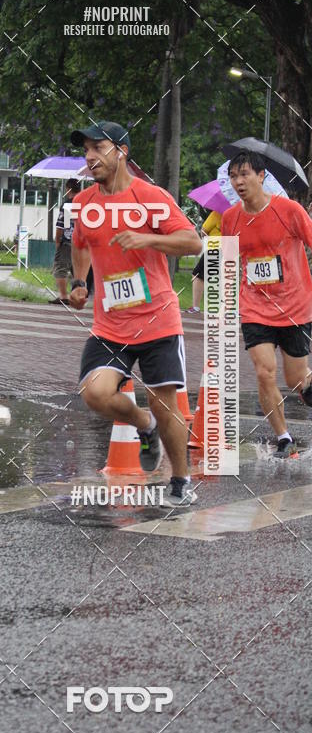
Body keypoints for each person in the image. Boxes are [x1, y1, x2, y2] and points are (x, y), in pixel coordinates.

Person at [68, 120, 202, 506]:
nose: (90, 157)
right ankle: (144, 425)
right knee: (96, 393)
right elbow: (80, 243)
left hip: (158, 318)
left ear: (122, 151)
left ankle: (180, 480)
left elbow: (192, 242)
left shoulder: (151, 197)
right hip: (110, 323)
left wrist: (147, 238)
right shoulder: (84, 203)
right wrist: (80, 282)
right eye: (87, 150)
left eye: (99, 148)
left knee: (166, 401)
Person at [221, 149, 312, 456]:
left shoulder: (289, 211)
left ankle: (307, 386)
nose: (238, 182)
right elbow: (229, 264)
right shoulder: (230, 219)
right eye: (233, 176)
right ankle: (283, 436)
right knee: (264, 371)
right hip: (255, 308)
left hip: (295, 306)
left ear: (261, 177)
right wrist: (227, 304)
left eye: (245, 174)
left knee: (296, 380)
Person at [50, 179, 81, 305]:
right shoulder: (85, 203)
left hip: (68, 242)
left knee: (61, 268)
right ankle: (78, 296)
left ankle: (63, 296)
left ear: (68, 188)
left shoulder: (68, 205)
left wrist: (58, 240)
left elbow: (62, 225)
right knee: (77, 270)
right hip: (81, 242)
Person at [186, 209, 222, 314]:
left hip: (215, 246)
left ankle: (195, 306)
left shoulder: (217, 213)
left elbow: (204, 231)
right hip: (230, 247)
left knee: (197, 274)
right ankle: (229, 309)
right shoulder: (236, 215)